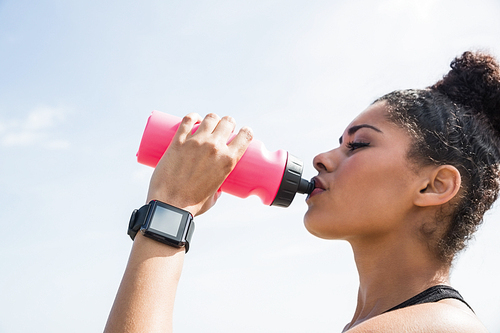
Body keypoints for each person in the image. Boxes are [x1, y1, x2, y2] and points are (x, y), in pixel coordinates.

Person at [104, 51, 500, 332]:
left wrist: (172, 207)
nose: (321, 159)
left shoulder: (436, 328)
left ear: (434, 185)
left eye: (358, 144)